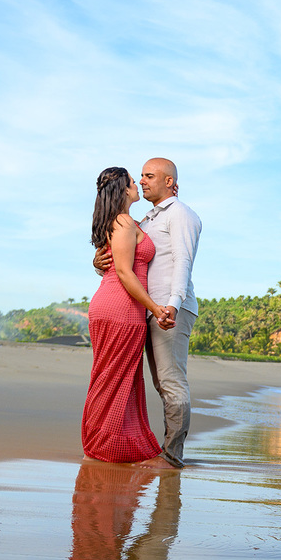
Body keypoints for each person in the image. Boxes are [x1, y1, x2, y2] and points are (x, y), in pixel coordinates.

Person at [95, 157, 202, 470]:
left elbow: (183, 261)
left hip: (169, 309)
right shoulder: (147, 219)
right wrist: (98, 262)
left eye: (149, 176)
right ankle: (154, 448)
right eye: (140, 176)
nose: (142, 181)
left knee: (170, 381)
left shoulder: (181, 214)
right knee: (156, 382)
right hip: (144, 310)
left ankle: (172, 455)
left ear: (169, 181)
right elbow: (124, 257)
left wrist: (173, 304)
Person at [81, 167, 173, 464]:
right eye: (134, 181)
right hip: (120, 308)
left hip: (120, 307)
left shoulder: (126, 221)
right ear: (123, 190)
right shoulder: (122, 221)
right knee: (112, 378)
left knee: (117, 377)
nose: (138, 184)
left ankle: (109, 443)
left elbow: (114, 263)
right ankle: (99, 444)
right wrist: (155, 307)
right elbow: (123, 271)